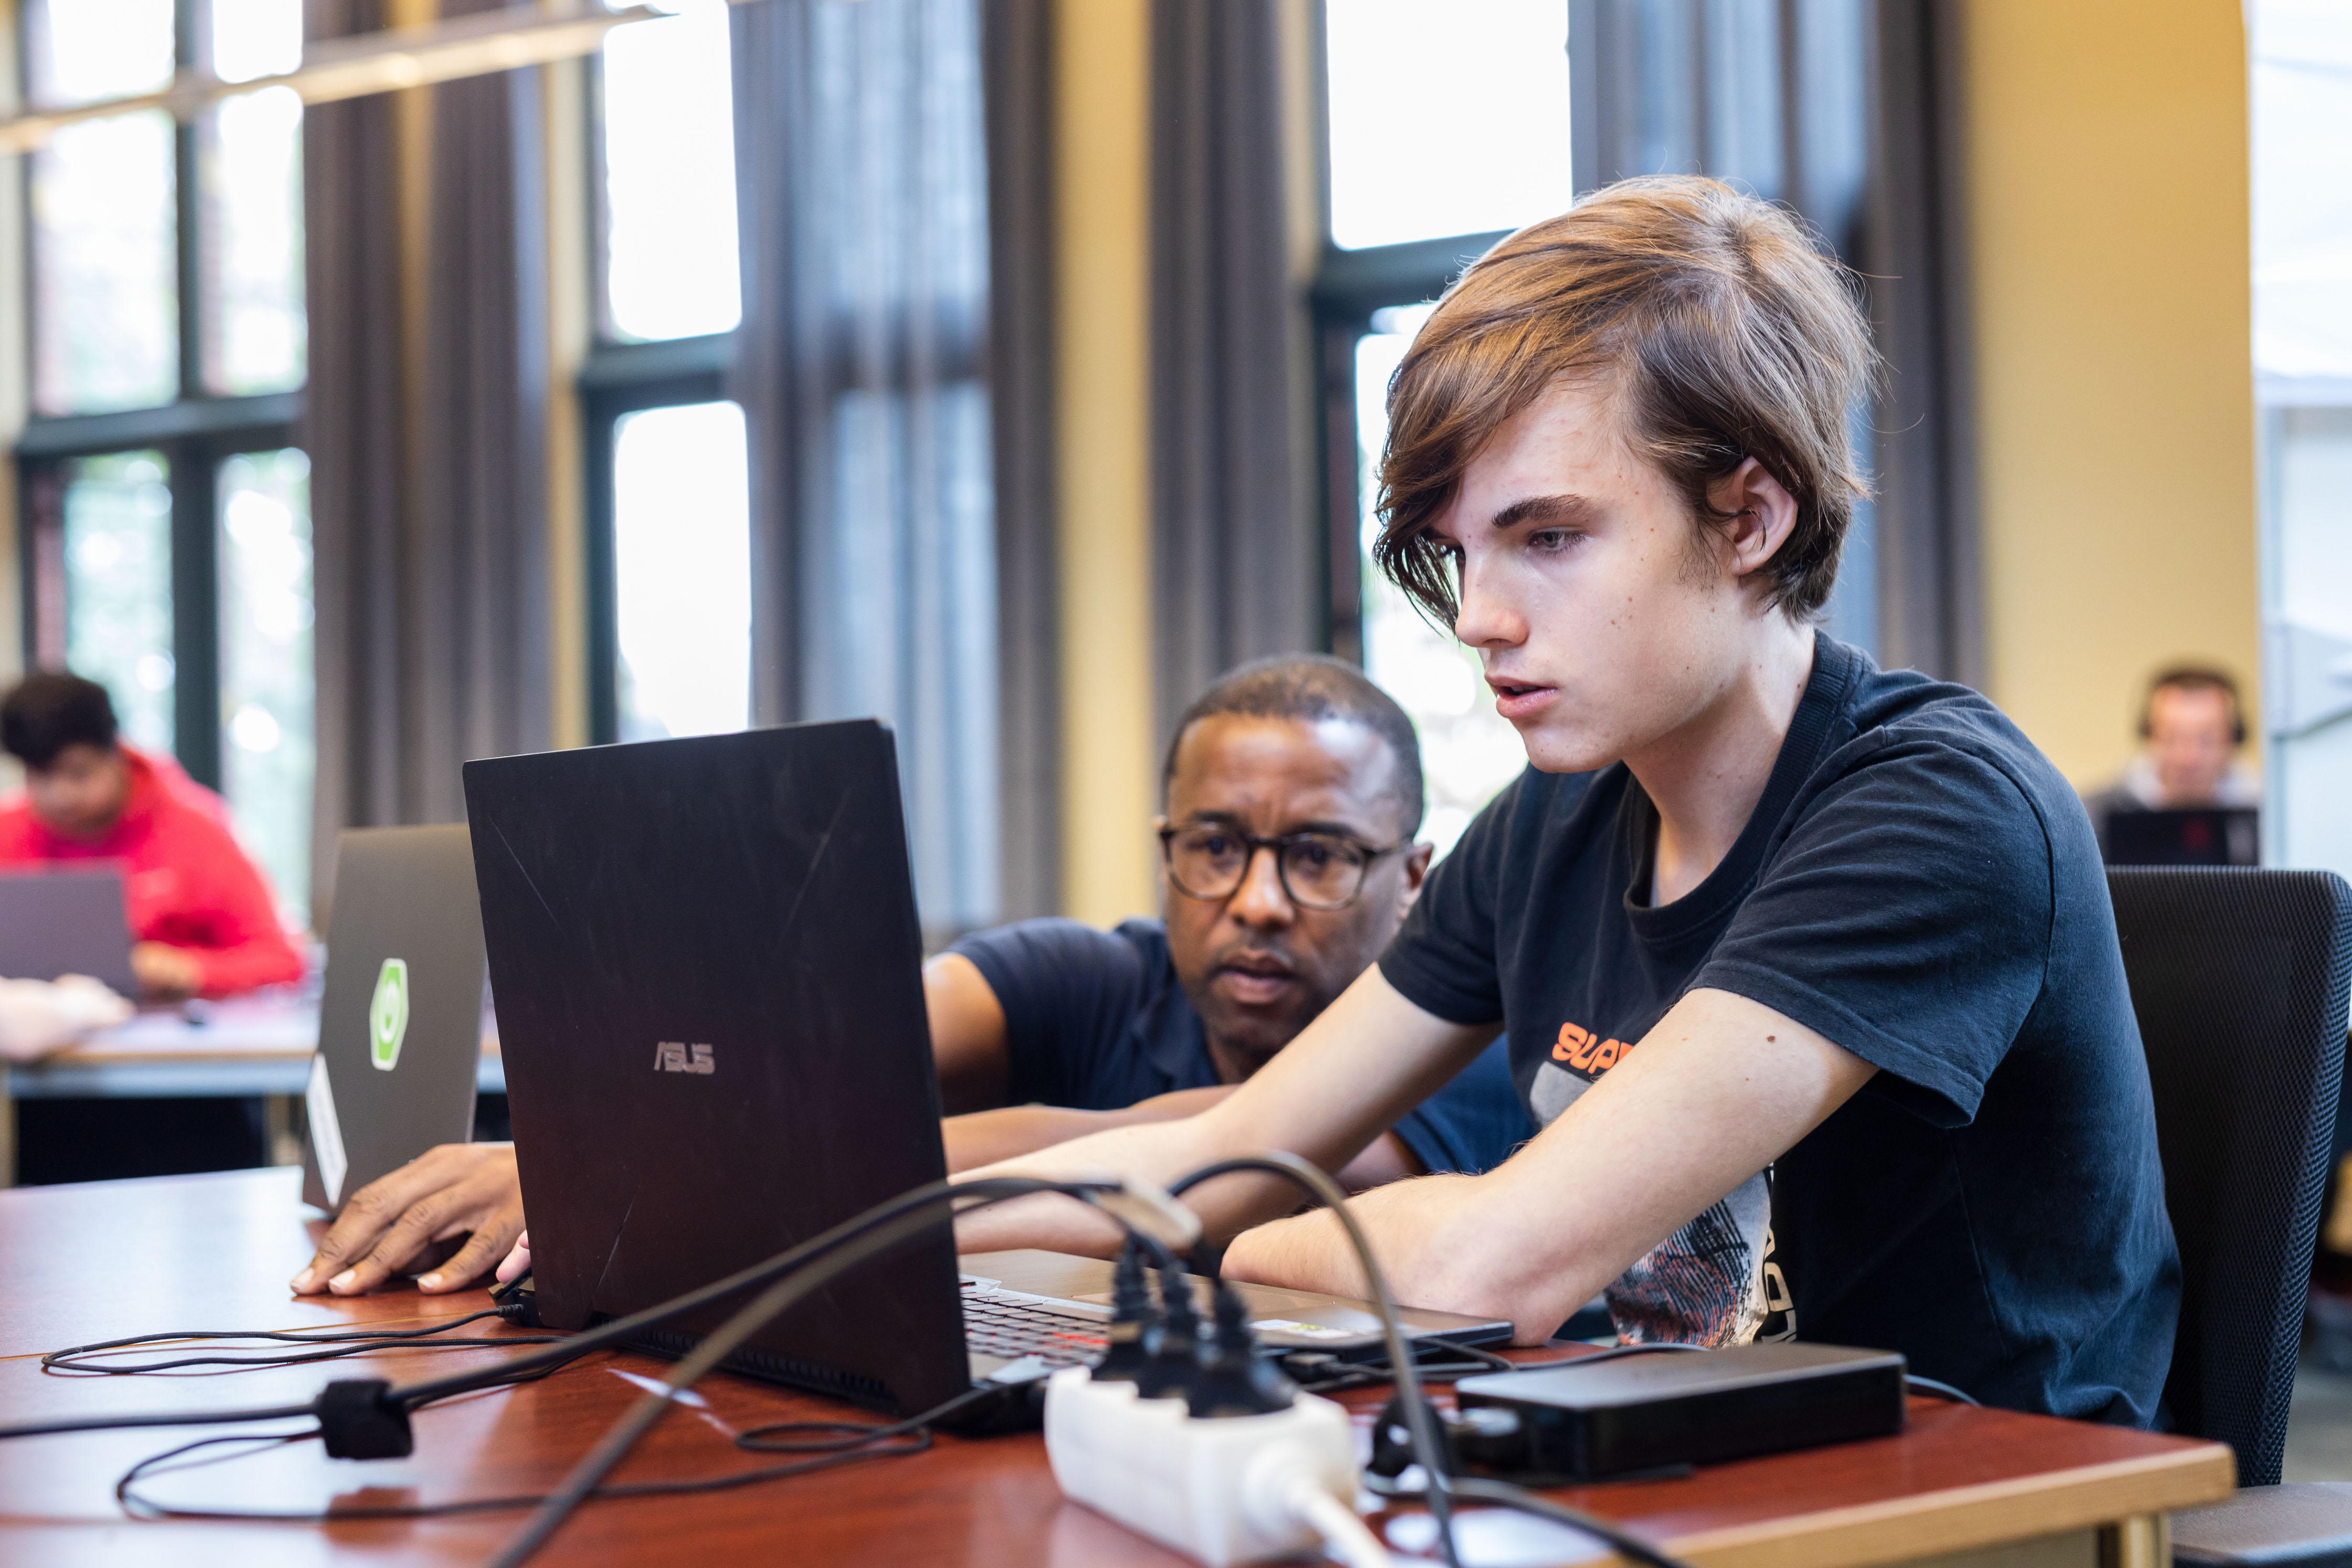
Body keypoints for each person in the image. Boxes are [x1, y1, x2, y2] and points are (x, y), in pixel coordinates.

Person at [951, 176, 2179, 1425]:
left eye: (1547, 537)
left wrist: (1270, 1234)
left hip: (1975, 1512)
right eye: (1462, 548)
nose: (1480, 615)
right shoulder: (1559, 819)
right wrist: (847, 1233)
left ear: (1748, 516)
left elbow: (1486, 1265)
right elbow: (1222, 1151)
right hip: (1677, 1472)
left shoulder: (1937, 808)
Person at [291, 656, 1534, 1298]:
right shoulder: (1088, 972)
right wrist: (597, 1143)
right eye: (1214, 846)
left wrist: (645, 1164)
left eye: (1317, 856)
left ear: (1415, 874)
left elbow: (1204, 1144)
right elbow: (822, 1041)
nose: (1257, 899)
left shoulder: (1456, 1045)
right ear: (1166, 849)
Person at [0, 671, 303, 999]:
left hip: (168, 1038)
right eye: (42, 776)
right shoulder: (9, 831)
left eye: (80, 774)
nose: (62, 796)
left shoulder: (196, 831)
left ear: (115, 751)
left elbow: (282, 961)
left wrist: (189, 969)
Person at [2081, 666, 2259, 859]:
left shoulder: (2271, 818)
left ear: (2234, 740)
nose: (2189, 758)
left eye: (2207, 740)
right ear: (2148, 735)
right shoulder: (2092, 819)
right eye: (2171, 738)